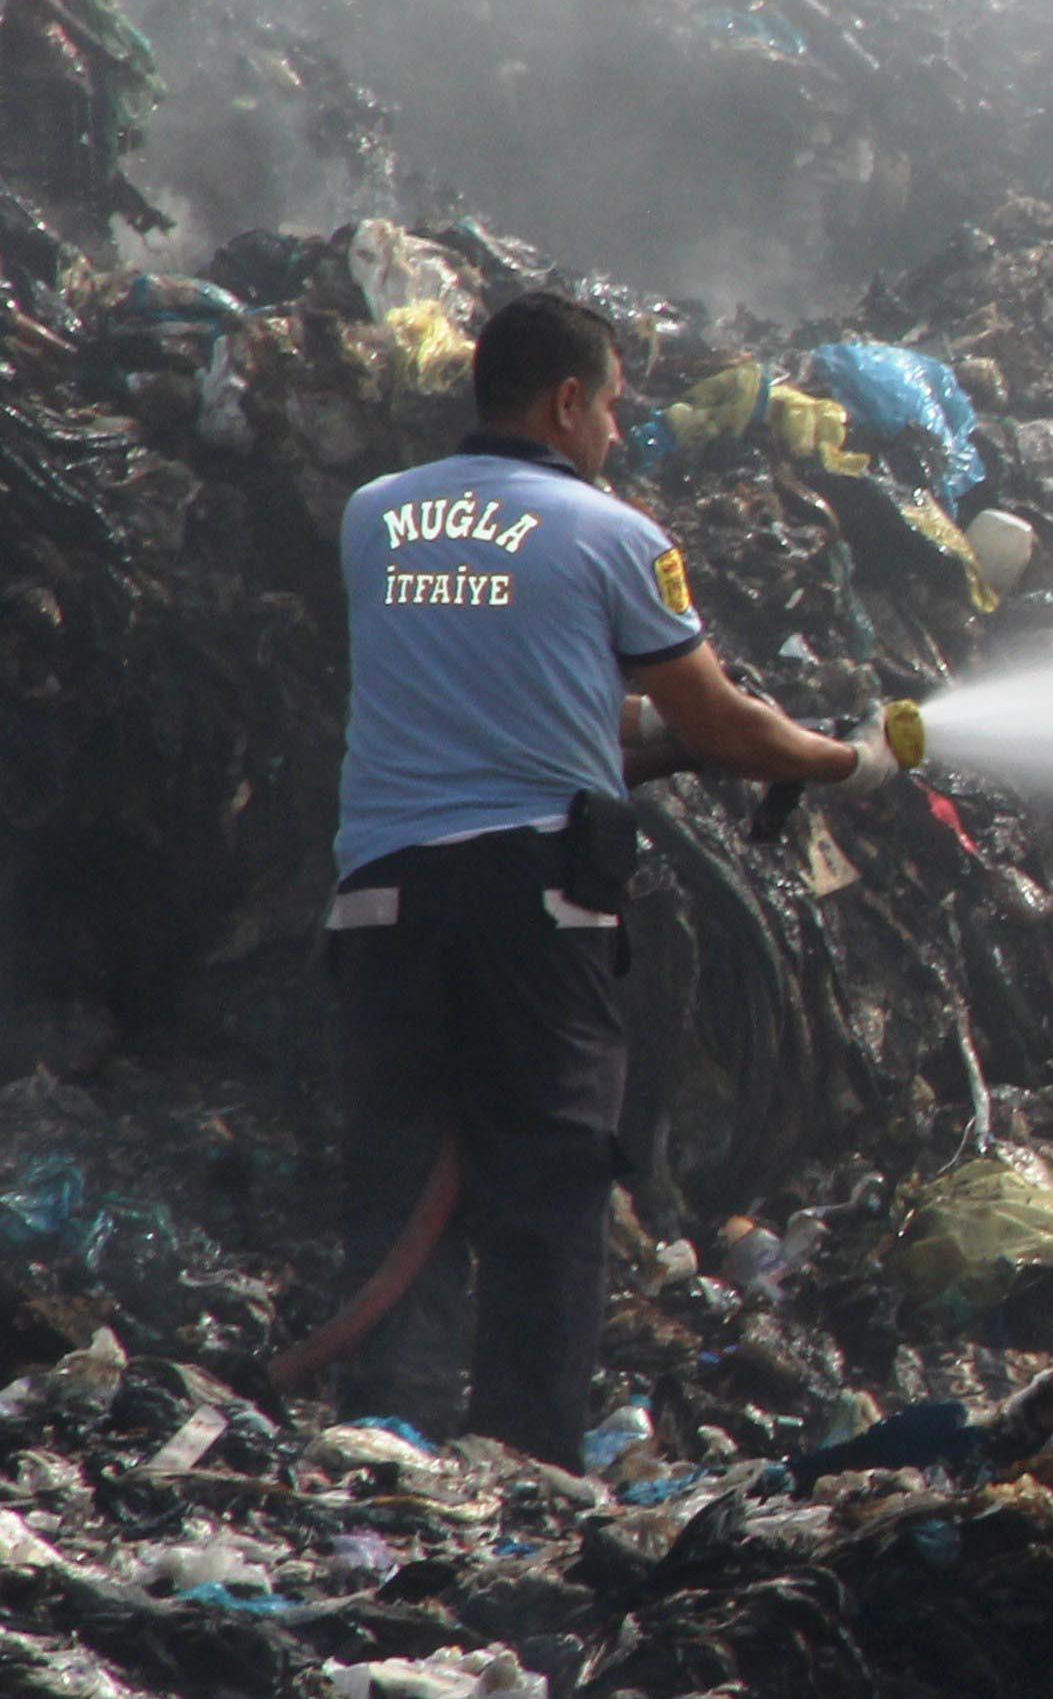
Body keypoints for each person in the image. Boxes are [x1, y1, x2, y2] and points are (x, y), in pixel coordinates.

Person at [322, 291, 894, 1466]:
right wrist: (846, 759)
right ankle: (522, 1456)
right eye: (615, 409)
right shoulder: (612, 535)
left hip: (380, 898)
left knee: (401, 1162)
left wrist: (650, 738)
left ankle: (388, 1442)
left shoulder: (374, 518)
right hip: (533, 905)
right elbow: (724, 725)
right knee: (543, 1174)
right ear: (568, 400)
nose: (619, 436)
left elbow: (507, 699)